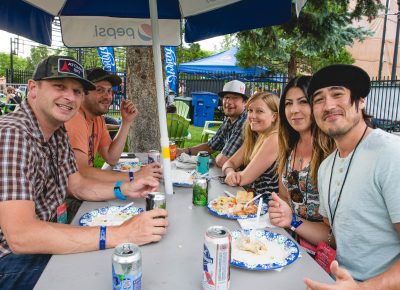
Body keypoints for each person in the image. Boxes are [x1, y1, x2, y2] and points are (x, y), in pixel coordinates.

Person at [0, 56, 168, 290]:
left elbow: (77, 185)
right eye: (59, 86)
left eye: (77, 91)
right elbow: (21, 235)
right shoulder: (12, 135)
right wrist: (119, 234)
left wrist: (124, 188)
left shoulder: (56, 131)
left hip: (46, 236)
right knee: (107, 275)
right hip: (10, 260)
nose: (70, 97)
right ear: (32, 88)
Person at [303, 64, 400, 289]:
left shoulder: (391, 154)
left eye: (338, 94)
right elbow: (335, 234)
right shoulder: (326, 166)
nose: (328, 105)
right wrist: (291, 221)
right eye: (318, 99)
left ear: (360, 101)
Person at [268, 76, 335, 254]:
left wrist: (293, 221)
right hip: (288, 245)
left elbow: (333, 236)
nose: (294, 110)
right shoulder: (288, 146)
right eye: (288, 103)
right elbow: (284, 197)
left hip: (324, 261)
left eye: (303, 102)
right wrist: (279, 210)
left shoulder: (332, 152)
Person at [65, 67, 162, 183]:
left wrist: (126, 122)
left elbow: (112, 158)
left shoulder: (98, 119)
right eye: (99, 90)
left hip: (84, 187)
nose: (107, 97)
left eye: (109, 91)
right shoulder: (75, 118)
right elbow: (82, 172)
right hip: (68, 196)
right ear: (82, 93)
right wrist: (135, 176)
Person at [176, 80, 248, 168]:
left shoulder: (245, 122)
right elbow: (210, 146)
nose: (229, 102)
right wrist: (183, 151)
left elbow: (222, 161)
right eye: (226, 97)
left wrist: (213, 158)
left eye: (235, 98)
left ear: (245, 102)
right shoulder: (229, 120)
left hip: (245, 177)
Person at [221, 92, 279, 200]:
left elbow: (243, 179)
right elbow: (229, 163)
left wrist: (233, 175)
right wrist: (230, 172)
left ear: (274, 116)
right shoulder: (257, 137)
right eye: (250, 110)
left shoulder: (275, 138)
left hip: (270, 207)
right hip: (254, 201)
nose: (252, 116)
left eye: (259, 111)